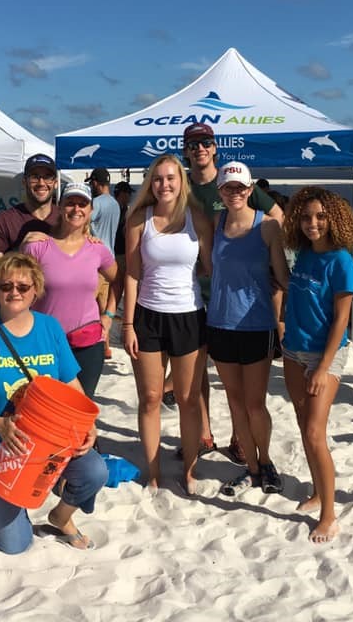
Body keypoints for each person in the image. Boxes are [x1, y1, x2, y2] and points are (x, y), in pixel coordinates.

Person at [0, 253, 106, 553]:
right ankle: (9, 505)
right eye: (6, 285)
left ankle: (60, 516)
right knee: (15, 545)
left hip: (50, 446)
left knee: (95, 471)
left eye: (23, 286)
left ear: (36, 290)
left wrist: (89, 425)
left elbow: (71, 384)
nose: (14, 292)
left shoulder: (50, 328)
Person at [182, 122, 283, 464]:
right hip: (197, 292)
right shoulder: (180, 184)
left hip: (239, 299)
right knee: (197, 374)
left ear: (214, 148)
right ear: (187, 149)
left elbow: (277, 216)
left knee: (243, 390)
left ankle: (243, 443)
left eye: (205, 143)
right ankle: (204, 434)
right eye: (193, 143)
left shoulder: (232, 181)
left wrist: (270, 263)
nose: (199, 149)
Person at [122, 154, 213, 493]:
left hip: (189, 315)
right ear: (150, 183)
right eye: (158, 179)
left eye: (171, 178)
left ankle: (189, 472)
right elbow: (132, 274)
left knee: (189, 399)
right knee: (149, 397)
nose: (164, 184)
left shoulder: (198, 220)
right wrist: (128, 325)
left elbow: (210, 268)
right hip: (147, 316)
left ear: (181, 181)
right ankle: (154, 473)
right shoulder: (137, 221)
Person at [281, 186, 353, 543]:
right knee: (302, 425)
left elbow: (341, 320)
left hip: (324, 355)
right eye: (307, 216)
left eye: (321, 216)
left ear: (335, 219)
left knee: (315, 432)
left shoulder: (341, 260)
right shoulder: (303, 255)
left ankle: (329, 514)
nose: (313, 223)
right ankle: (317, 491)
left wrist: (324, 367)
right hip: (294, 350)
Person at [207, 162, 289, 498]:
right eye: (228, 188)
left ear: (251, 188)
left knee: (255, 403)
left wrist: (285, 323)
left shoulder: (268, 227)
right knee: (235, 402)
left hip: (256, 324)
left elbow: (283, 278)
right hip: (220, 322)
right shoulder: (217, 222)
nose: (235, 193)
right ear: (220, 192)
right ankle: (251, 468)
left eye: (240, 187)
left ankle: (266, 461)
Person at [22, 182, 119, 398]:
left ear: (90, 210)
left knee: (80, 408)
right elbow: (15, 286)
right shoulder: (37, 247)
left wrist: (109, 314)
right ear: (60, 207)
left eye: (82, 204)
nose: (76, 209)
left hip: (87, 345)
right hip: (43, 344)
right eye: (70, 203)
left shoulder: (98, 249)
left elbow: (118, 280)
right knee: (45, 408)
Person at [0, 154, 61, 254]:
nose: (41, 183)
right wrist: (20, 251)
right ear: (24, 181)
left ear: (56, 183)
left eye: (47, 177)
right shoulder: (5, 221)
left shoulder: (66, 218)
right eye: (35, 177)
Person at [86, 167, 120, 359]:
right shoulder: (115, 204)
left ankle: (95, 345)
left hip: (96, 260)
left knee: (90, 306)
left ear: (96, 183)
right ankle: (106, 346)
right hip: (111, 259)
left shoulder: (96, 203)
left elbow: (83, 221)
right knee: (106, 307)